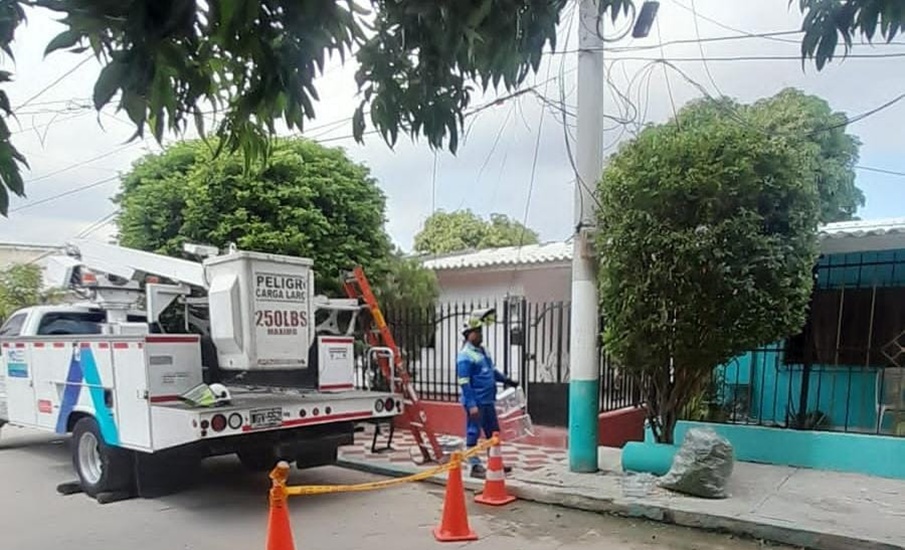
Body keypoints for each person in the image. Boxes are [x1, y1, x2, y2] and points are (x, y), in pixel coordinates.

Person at [456, 308, 519, 479]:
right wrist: (471, 404)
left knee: (494, 432)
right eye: (477, 332)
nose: (481, 335)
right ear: (468, 334)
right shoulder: (464, 356)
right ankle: (475, 466)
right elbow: (464, 382)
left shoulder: (483, 352)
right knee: (473, 432)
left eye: (481, 331)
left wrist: (506, 380)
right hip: (476, 402)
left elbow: (491, 371)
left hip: (488, 401)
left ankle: (495, 462)